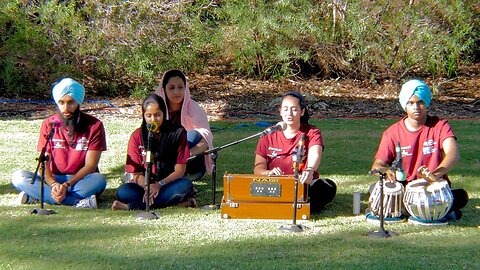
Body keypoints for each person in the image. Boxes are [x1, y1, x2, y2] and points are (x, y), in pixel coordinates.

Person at [369, 79, 469, 222]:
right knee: (375, 189)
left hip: (432, 189)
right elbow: (377, 165)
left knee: (462, 196)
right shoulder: (392, 132)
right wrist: (385, 171)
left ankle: (417, 209)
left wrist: (434, 175)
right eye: (410, 103)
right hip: (405, 191)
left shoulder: (440, 126)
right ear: (404, 105)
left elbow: (453, 154)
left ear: (426, 103)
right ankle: (437, 211)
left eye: (420, 102)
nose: (416, 107)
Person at [11, 78, 107, 208]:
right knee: (18, 177)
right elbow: (44, 165)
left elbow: (90, 165)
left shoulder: (94, 125)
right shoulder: (49, 124)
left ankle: (37, 196)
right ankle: (76, 202)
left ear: (78, 103)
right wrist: (54, 185)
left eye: (71, 103)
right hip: (53, 180)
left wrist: (67, 185)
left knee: (99, 180)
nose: (66, 108)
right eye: (61, 103)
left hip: (80, 180)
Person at [254, 91, 337, 213]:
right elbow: (258, 168)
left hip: (303, 184)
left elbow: (316, 154)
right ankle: (294, 206)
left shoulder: (312, 132)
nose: (289, 113)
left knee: (327, 187)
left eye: (294, 109)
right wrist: (268, 173)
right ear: (280, 111)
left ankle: (295, 206)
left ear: (302, 112)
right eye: (286, 109)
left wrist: (309, 171)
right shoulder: (268, 134)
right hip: (275, 186)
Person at [112, 93, 196, 211]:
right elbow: (136, 173)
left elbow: (180, 171)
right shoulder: (137, 136)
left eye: (157, 115)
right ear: (143, 116)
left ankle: (129, 207)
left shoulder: (177, 134)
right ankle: (176, 203)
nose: (153, 120)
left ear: (164, 114)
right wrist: (147, 187)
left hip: (168, 184)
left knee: (185, 185)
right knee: (123, 192)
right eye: (149, 116)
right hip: (144, 186)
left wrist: (159, 185)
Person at [155, 69, 213, 181]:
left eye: (180, 87)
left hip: (190, 164)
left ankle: (179, 174)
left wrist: (184, 155)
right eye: (172, 88)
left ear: (185, 88)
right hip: (163, 162)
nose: (177, 92)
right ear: (164, 90)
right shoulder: (156, 110)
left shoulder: (194, 109)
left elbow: (206, 141)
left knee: (192, 134)